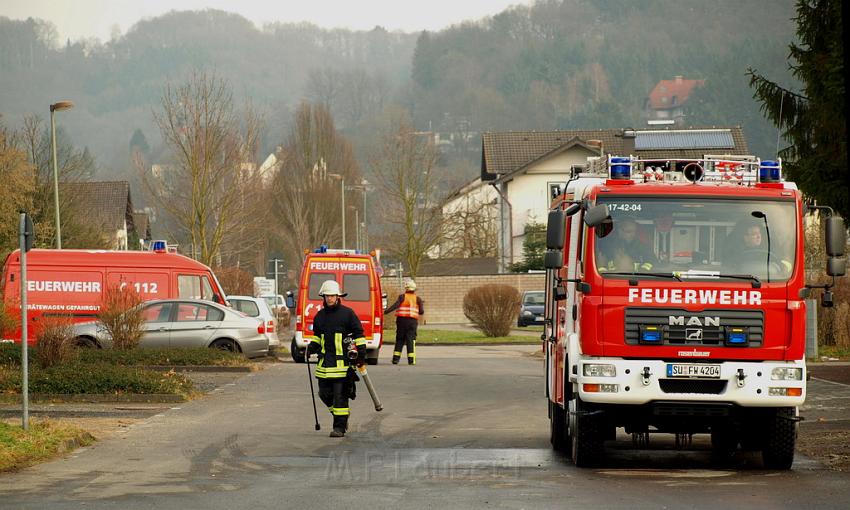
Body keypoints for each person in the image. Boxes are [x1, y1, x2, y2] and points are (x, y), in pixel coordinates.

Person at [306, 280, 366, 438]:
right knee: (324, 394)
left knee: (340, 397)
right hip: (325, 365)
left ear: (338, 296)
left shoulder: (348, 314)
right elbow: (318, 337)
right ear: (323, 297)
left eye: (332, 295)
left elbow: (359, 335)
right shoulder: (320, 316)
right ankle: (342, 416)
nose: (330, 298)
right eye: (327, 296)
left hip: (343, 365)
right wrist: (311, 348)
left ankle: (339, 427)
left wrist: (361, 354)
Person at [384, 279, 424, 365]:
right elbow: (421, 312)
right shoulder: (418, 299)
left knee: (400, 339)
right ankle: (411, 360)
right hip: (412, 322)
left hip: (401, 321)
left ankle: (395, 359)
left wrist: (385, 312)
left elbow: (395, 306)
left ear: (406, 288)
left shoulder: (402, 297)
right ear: (414, 289)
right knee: (410, 340)